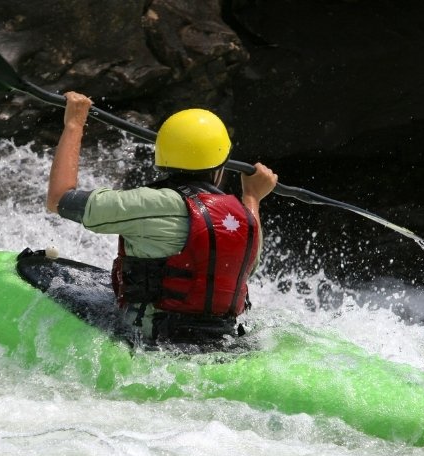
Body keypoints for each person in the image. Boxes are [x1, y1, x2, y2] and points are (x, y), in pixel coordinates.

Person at [46, 91, 278, 348]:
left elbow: (59, 199)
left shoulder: (149, 203)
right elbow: (247, 267)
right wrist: (253, 197)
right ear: (220, 166)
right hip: (220, 343)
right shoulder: (243, 218)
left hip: (149, 343)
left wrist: (74, 124)